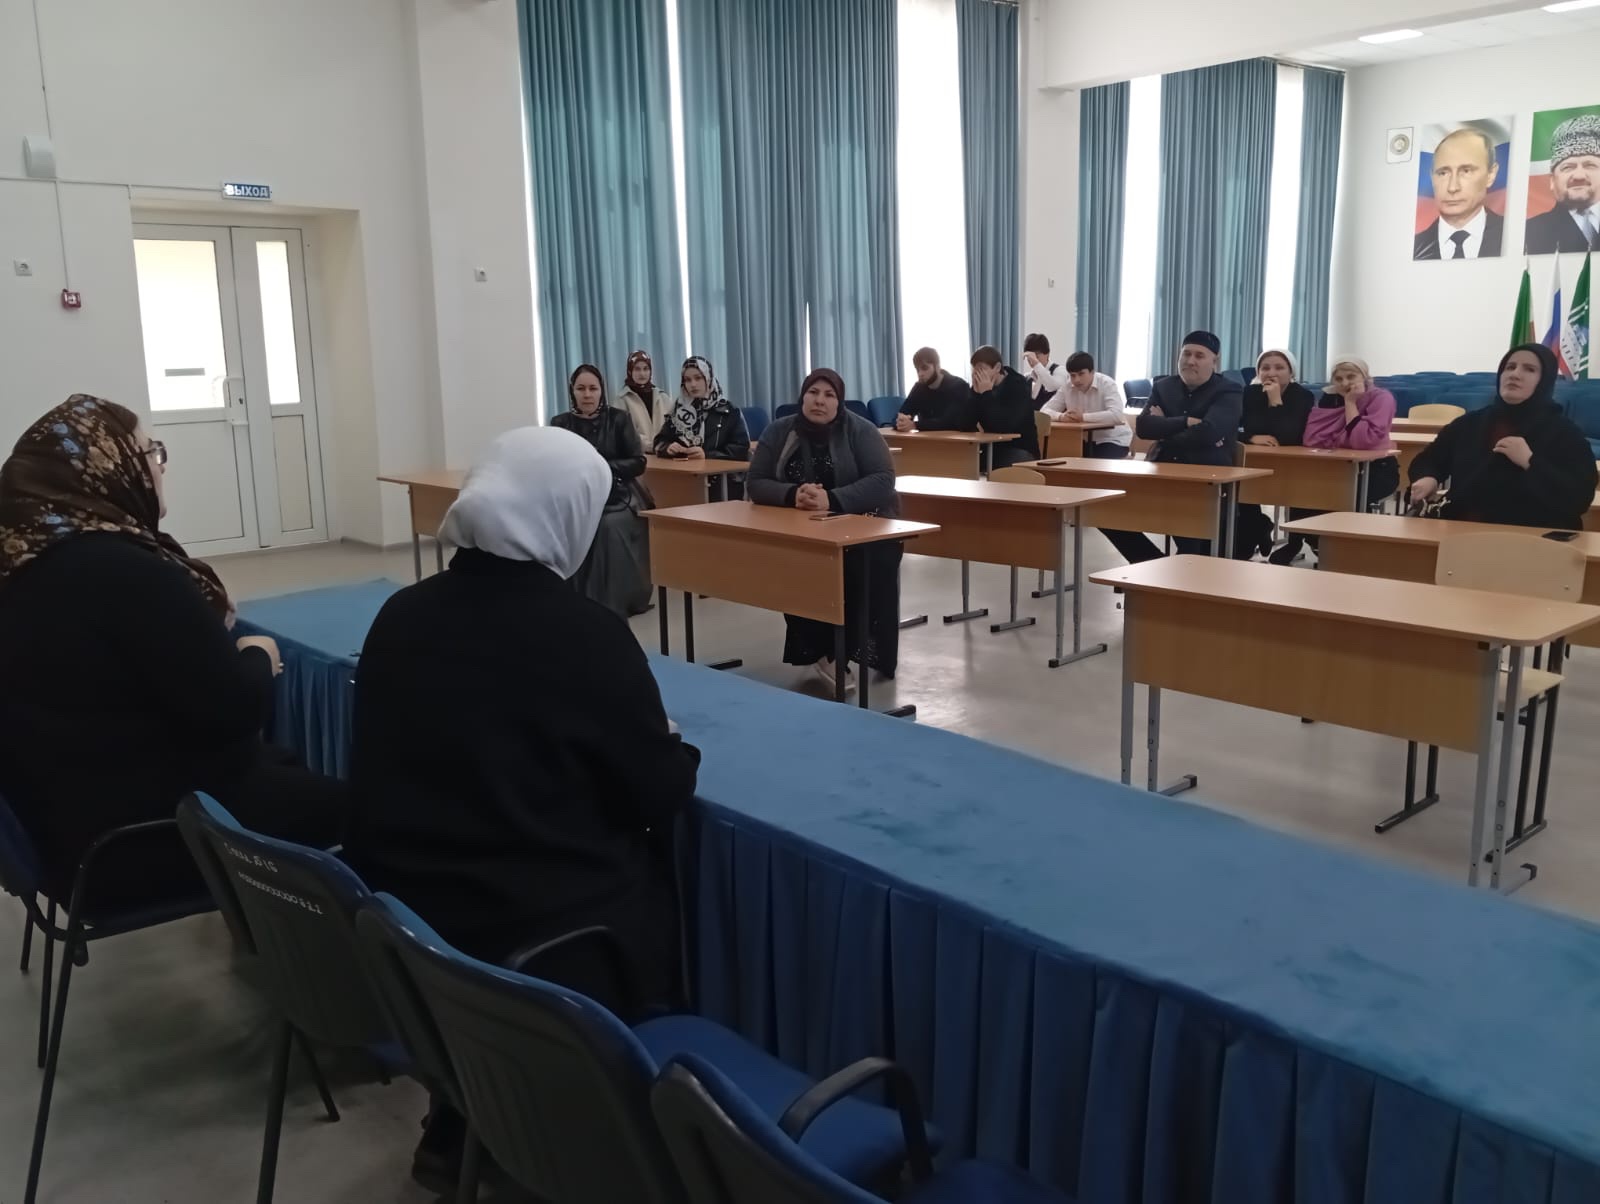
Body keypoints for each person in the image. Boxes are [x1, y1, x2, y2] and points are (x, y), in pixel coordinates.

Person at [344, 424, 700, 1189]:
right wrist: (672, 743)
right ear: (565, 516)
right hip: (543, 938)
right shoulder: (586, 635)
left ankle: (459, 1117)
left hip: (414, 927)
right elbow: (660, 791)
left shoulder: (399, 615)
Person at [0, 395, 347, 910]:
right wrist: (258, 654)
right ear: (110, 467)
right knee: (365, 809)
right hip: (139, 839)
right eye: (150, 452)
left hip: (63, 827)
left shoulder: (23, 557)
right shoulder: (123, 573)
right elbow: (231, 714)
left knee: (285, 767)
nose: (161, 467)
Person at [747, 368, 901, 693]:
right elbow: (756, 481)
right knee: (798, 564)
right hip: (800, 531)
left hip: (863, 527)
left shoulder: (860, 430)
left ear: (839, 401)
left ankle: (843, 649)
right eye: (813, 393)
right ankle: (825, 651)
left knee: (862, 567)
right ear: (802, 396)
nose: (820, 401)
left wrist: (831, 499)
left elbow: (883, 480)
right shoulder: (779, 431)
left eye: (829, 395)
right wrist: (793, 494)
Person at [1409, 343, 1598, 530]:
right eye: (1510, 367)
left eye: (1529, 369)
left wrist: (1530, 462)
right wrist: (1428, 477)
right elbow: (1429, 460)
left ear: (1545, 381)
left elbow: (1579, 497)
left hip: (1531, 537)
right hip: (1462, 531)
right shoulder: (1469, 423)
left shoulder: (1565, 433)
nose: (1515, 374)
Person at [1100, 330, 1243, 563]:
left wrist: (1165, 427)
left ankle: (1170, 570)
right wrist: (1186, 422)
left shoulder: (1229, 390)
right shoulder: (1163, 386)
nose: (1190, 361)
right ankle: (1152, 564)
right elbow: (1144, 427)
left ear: (1214, 361)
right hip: (1160, 473)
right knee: (1106, 513)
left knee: (1191, 545)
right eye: (1186, 354)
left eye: (1199, 356)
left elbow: (1210, 432)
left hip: (1205, 481)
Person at [1270, 357, 1399, 566]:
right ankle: (1298, 542)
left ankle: (1344, 550)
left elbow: (1362, 441)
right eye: (1338, 379)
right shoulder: (1329, 398)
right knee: (1302, 488)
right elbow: (1312, 437)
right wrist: (1343, 436)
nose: (1345, 383)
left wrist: (1350, 403)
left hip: (1376, 470)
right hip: (1335, 466)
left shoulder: (1381, 399)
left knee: (1339, 495)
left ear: (1364, 377)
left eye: (1351, 376)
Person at [551, 364, 652, 617]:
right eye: (581, 389)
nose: (587, 394)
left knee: (606, 525)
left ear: (601, 391)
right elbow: (554, 464)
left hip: (619, 495)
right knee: (563, 522)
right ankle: (570, 599)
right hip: (577, 497)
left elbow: (638, 462)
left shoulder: (619, 419)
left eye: (593, 388)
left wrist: (600, 467)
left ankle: (609, 602)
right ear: (572, 391)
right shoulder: (560, 423)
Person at [1233, 348, 1315, 559]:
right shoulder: (1249, 393)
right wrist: (1250, 437)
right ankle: (1259, 526)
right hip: (1254, 462)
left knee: (1302, 492)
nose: (1271, 373)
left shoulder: (1303, 396)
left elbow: (1288, 436)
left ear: (1291, 371)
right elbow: (1228, 427)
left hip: (1293, 466)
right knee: (1240, 490)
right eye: (1265, 368)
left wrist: (1275, 400)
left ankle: (1294, 541)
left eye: (1279, 368)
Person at [1414, 126, 1503, 261]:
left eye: (1466, 171)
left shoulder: (1516, 237)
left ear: (1491, 174)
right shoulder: (1414, 247)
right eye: (1443, 173)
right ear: (1432, 176)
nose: (1452, 187)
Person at [1525, 114, 1600, 255]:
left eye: (1589, 165)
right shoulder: (1530, 232)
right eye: (1568, 167)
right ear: (1552, 181)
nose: (1578, 176)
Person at [654, 355, 751, 463]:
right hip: (684, 471)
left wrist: (707, 455)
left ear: (708, 378)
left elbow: (741, 449)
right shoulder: (678, 410)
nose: (693, 384)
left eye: (698, 378)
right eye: (687, 380)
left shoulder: (730, 411)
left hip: (718, 472)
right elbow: (659, 442)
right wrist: (667, 448)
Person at [1040, 351, 1132, 458]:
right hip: (1082, 440)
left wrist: (1083, 417)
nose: (1076, 380)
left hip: (1112, 439)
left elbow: (1116, 415)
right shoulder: (1067, 386)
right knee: (1059, 454)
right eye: (1072, 375)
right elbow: (1044, 411)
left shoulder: (1107, 384)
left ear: (1092, 372)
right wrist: (1061, 417)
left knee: (1093, 461)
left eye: (1081, 374)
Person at [969, 345, 1040, 469]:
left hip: (1019, 449)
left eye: (981, 369)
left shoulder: (1018, 385)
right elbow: (966, 423)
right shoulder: (980, 388)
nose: (977, 374)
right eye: (975, 369)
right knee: (962, 462)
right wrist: (974, 394)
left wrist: (986, 394)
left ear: (997, 367)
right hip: (991, 448)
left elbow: (1003, 426)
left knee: (1000, 465)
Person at [896, 347, 976, 432]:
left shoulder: (959, 386)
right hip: (927, 438)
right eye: (917, 370)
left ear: (937, 366)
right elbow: (900, 415)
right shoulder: (919, 388)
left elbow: (951, 422)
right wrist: (901, 422)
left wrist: (915, 425)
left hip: (956, 438)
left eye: (925, 368)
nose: (920, 374)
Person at [615, 349, 672, 448]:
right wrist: (652, 446)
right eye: (637, 369)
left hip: (665, 453)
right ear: (630, 371)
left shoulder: (662, 397)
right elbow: (623, 433)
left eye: (646, 369)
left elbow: (673, 426)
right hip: (638, 454)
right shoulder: (622, 399)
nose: (642, 374)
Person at [1023, 333, 1068, 411]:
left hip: (1053, 417)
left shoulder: (1060, 370)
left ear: (1047, 353)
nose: (1032, 359)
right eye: (1029, 356)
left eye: (1036, 355)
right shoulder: (1027, 377)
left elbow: (1052, 386)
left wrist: (1036, 364)